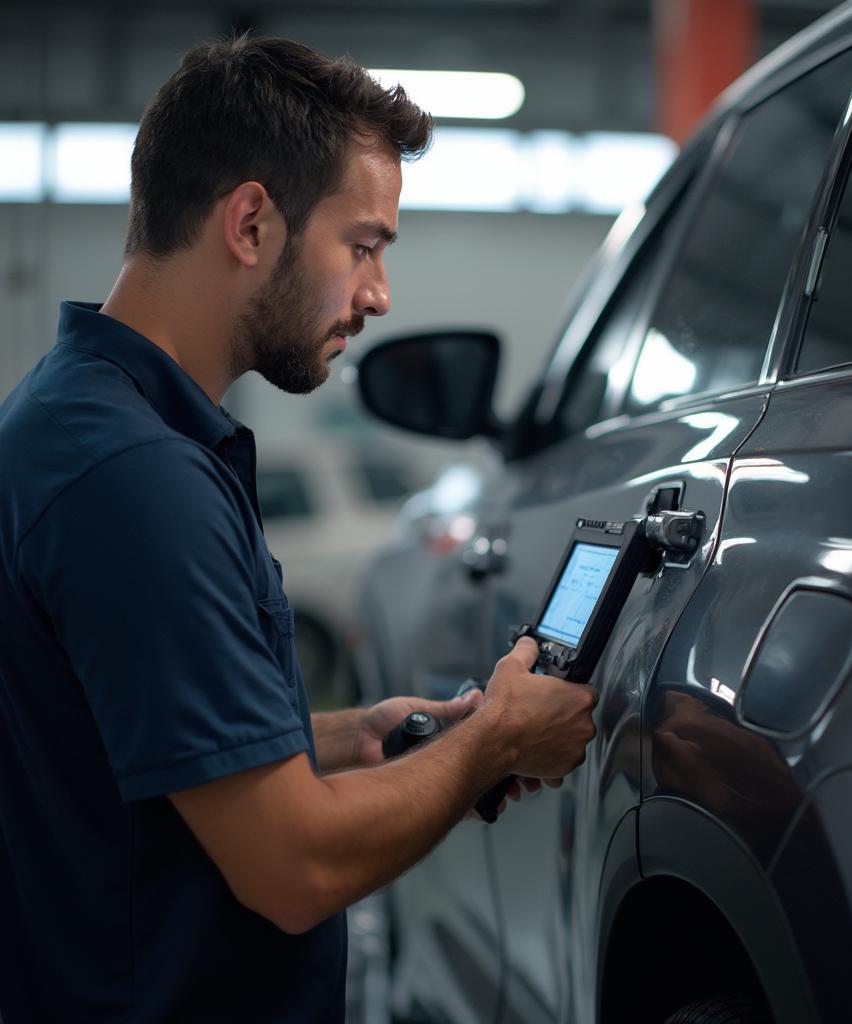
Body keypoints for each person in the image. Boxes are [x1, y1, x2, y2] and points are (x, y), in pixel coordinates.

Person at [0, 34, 598, 1022]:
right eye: (361, 245)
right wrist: (493, 740)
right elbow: (294, 866)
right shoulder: (132, 478)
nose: (377, 294)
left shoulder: (89, 419)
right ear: (249, 223)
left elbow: (115, 744)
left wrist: (325, 739)